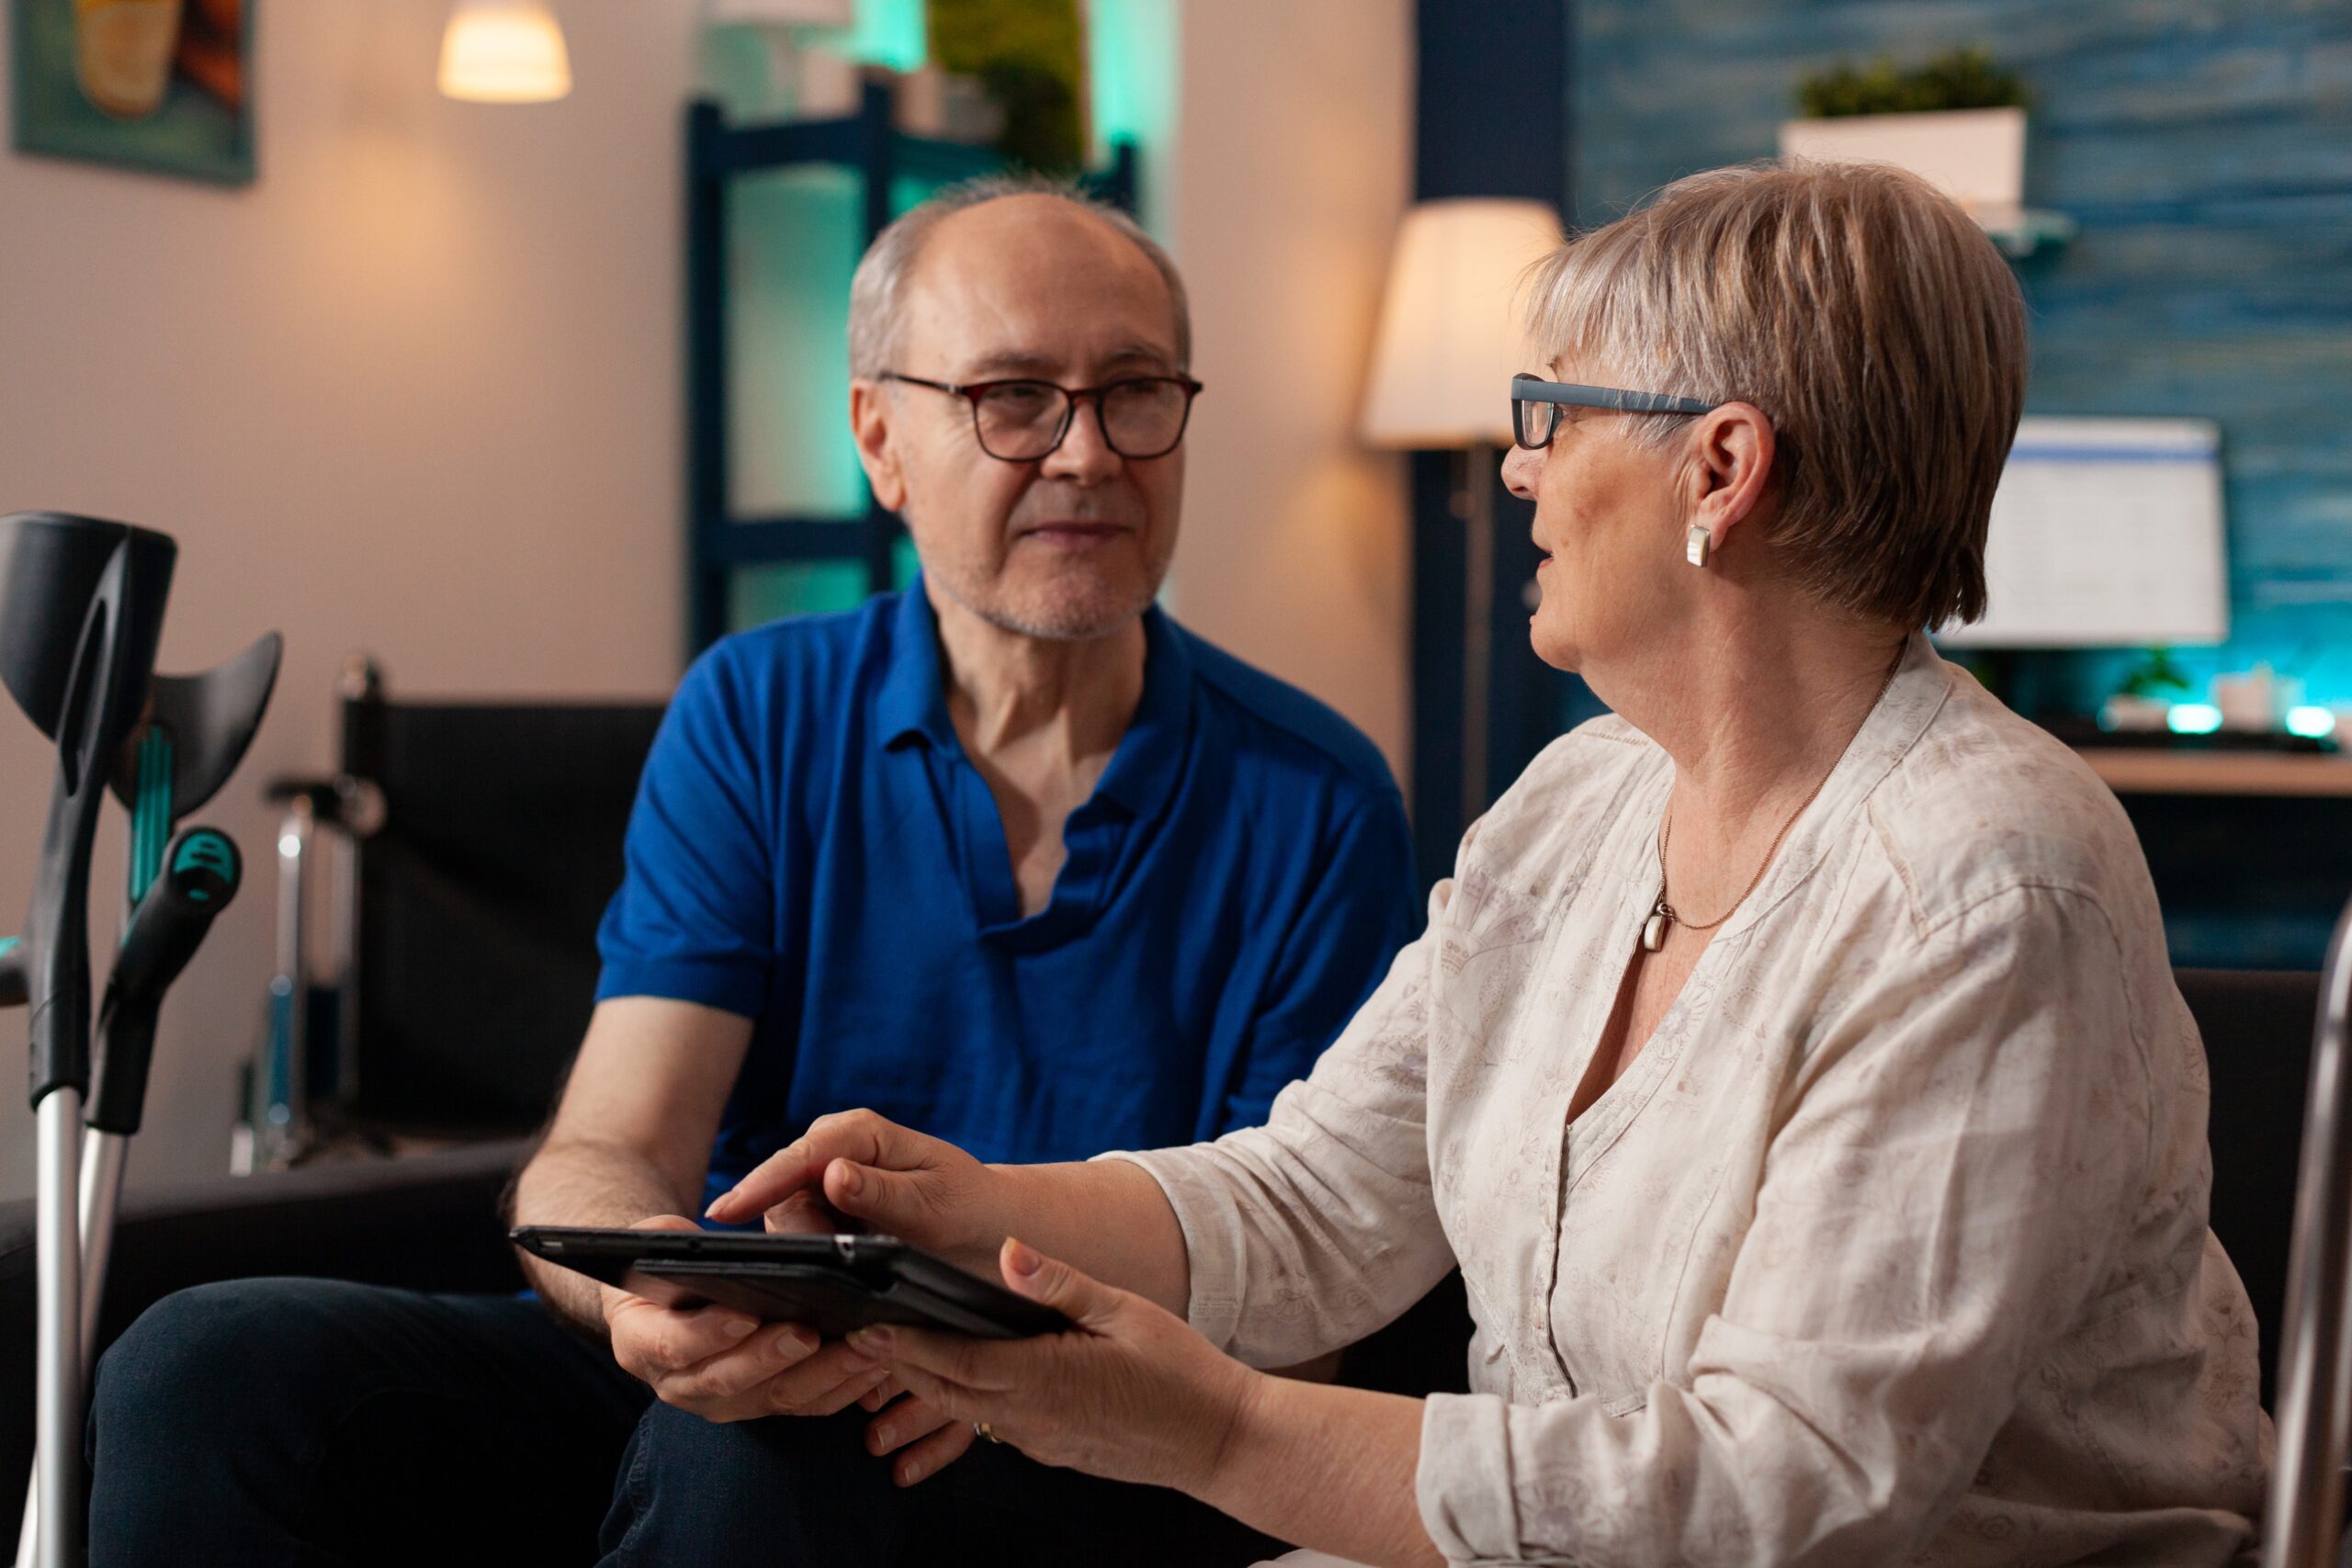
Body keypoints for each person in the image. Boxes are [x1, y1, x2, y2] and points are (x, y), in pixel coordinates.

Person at [709, 160, 2273, 1568]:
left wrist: (1210, 1430)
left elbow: (1785, 1496)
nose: (1518, 472)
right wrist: (961, 1206)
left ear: (1720, 469)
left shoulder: (1985, 885)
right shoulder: (1576, 807)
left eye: (1554, 415)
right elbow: (1320, 1199)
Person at [86, 176, 1414, 1567]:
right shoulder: (757, 711)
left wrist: (989, 1363)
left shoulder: (1315, 796)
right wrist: (641, 1299)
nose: (1086, 454)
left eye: (1134, 391)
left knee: (766, 1454)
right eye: (1015, 397)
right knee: (201, 1367)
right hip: (733, 1377)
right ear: (880, 438)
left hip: (1087, 1427)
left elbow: (1306, 1301)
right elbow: (607, 1147)